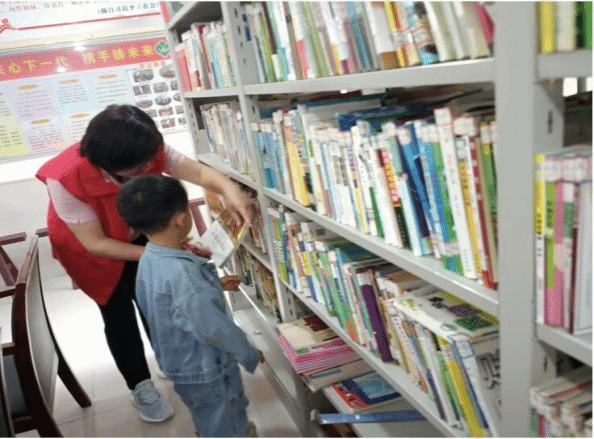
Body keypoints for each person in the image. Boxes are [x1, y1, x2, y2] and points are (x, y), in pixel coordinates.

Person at [35, 104, 254, 423]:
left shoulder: (146, 148)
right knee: (118, 314)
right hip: (91, 249)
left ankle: (169, 358)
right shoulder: (65, 177)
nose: (150, 168)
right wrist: (169, 253)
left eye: (151, 161)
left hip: (140, 232)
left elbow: (198, 173)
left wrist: (231, 191)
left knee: (157, 302)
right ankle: (140, 385)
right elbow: (96, 243)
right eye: (139, 168)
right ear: (110, 165)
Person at [116, 174, 263, 437]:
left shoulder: (149, 259)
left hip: (181, 364)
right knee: (225, 416)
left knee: (209, 416)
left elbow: (169, 302)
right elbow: (213, 328)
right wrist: (248, 352)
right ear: (181, 218)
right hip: (207, 368)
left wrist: (211, 286)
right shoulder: (183, 274)